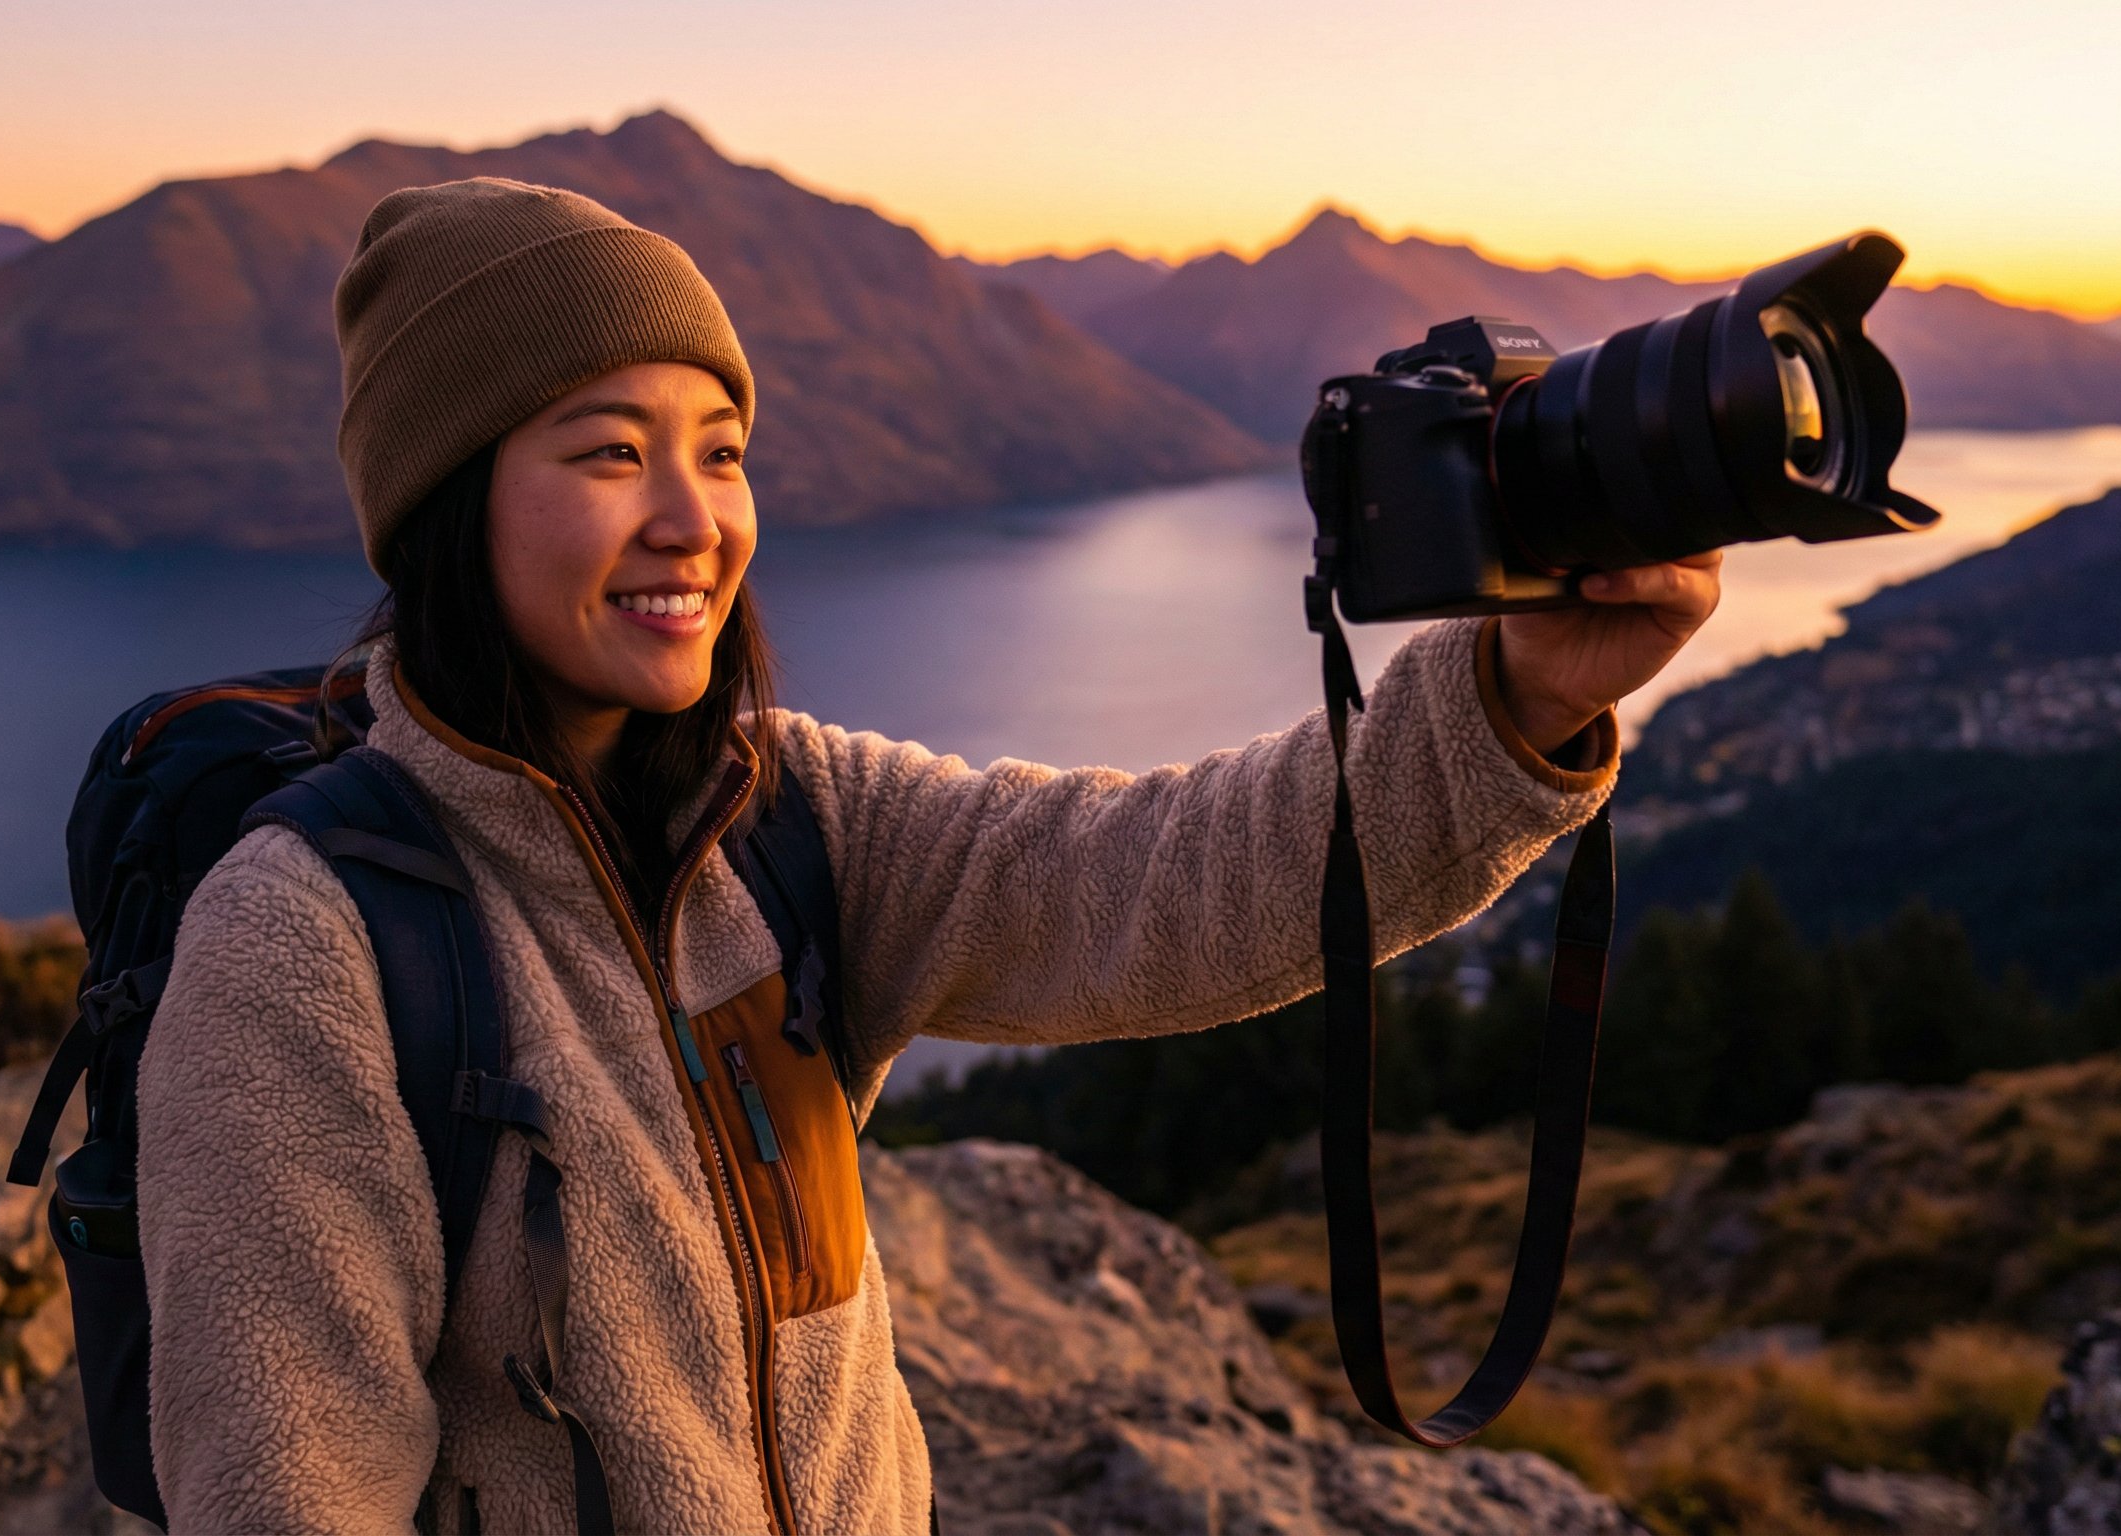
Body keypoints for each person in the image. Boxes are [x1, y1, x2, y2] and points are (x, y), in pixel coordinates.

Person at [136, 177, 1719, 1535]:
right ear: (444, 504)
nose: (696, 520)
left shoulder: (793, 816)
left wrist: (1515, 700)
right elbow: (290, 1491)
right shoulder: (307, 947)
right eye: (611, 454)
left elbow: (1172, 883)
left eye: (724, 448)